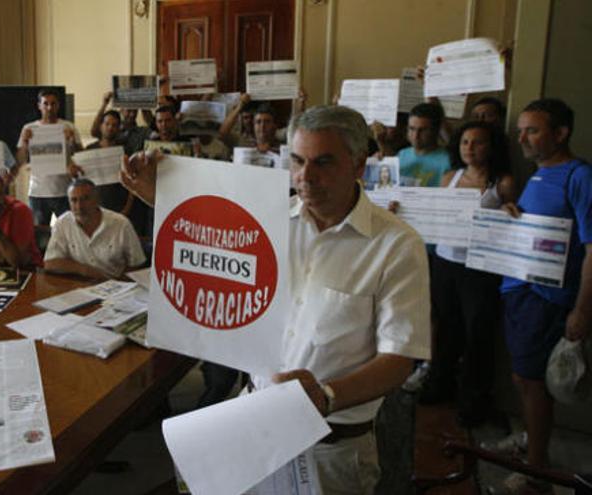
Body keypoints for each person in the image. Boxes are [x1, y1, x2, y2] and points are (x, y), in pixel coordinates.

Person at [122, 106, 431, 494]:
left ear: (358, 164)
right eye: (298, 160)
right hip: (253, 426)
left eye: (323, 162)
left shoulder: (397, 246)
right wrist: (162, 199)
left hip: (331, 449)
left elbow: (399, 360)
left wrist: (326, 396)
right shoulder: (270, 220)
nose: (305, 177)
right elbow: (208, 249)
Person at [487, 99, 591, 494]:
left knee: (530, 383)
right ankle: (534, 442)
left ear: (560, 134)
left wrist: (582, 311)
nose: (522, 138)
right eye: (521, 130)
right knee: (524, 379)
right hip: (518, 291)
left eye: (532, 130)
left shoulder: (579, 176)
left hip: (546, 299)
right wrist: (515, 213)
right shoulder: (538, 175)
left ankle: (535, 473)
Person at [417, 121, 517, 427]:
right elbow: (433, 213)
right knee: (446, 328)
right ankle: (440, 385)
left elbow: (513, 224)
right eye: (465, 143)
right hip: (446, 262)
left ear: (491, 147)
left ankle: (473, 401)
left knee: (477, 334)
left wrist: (511, 212)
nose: (470, 148)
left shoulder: (503, 183)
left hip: (480, 269)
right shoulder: (450, 177)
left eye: (478, 142)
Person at [44, 178, 145, 279]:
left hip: (114, 286)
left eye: (85, 199)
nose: (79, 206)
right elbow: (50, 263)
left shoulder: (121, 224)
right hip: (79, 285)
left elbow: (137, 264)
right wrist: (85, 270)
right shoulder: (63, 223)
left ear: (97, 200)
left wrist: (118, 284)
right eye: (74, 200)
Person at [15, 89, 84, 226]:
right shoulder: (29, 128)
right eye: (45, 104)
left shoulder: (68, 126)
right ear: (39, 106)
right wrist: (24, 142)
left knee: (71, 231)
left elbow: (81, 155)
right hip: (38, 192)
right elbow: (20, 160)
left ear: (58, 105)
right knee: (39, 236)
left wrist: (71, 140)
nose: (49, 107)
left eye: (53, 104)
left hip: (65, 190)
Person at [398, 103, 450, 187]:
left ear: (436, 130)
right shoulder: (402, 154)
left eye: (423, 130)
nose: (416, 136)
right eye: (412, 129)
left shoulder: (448, 160)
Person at [90, 91, 154, 155]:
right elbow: (94, 132)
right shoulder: (114, 129)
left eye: (135, 111)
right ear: (121, 110)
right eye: (129, 110)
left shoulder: (142, 132)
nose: (132, 114)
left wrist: (144, 104)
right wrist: (104, 104)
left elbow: (155, 128)